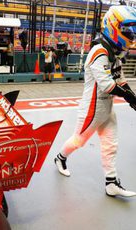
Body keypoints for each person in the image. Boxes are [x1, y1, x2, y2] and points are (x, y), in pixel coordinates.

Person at [54, 5, 136, 197]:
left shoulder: (114, 53)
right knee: (78, 141)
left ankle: (111, 182)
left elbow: (120, 79)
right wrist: (130, 97)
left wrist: (133, 98)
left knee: (111, 144)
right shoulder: (99, 52)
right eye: (126, 29)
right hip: (92, 108)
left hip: (106, 107)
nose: (130, 34)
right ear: (114, 26)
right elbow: (107, 85)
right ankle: (60, 158)